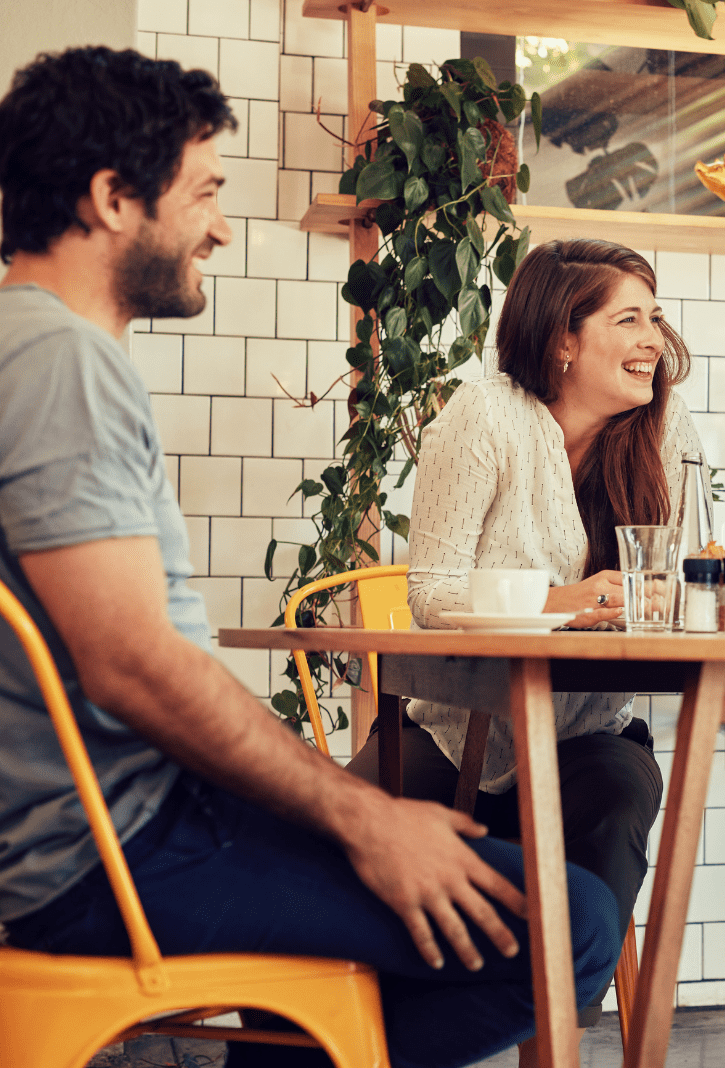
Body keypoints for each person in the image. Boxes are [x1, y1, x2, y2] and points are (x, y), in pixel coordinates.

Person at [0, 48, 619, 1068]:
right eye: (202, 191)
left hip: (106, 828)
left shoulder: (29, 347)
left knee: (456, 897)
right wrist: (365, 819)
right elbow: (133, 662)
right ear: (112, 198)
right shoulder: (62, 362)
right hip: (114, 852)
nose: (220, 226)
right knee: (571, 923)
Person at [348, 236, 705, 1028]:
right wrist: (569, 600)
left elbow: (676, 591)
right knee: (341, 842)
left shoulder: (667, 437)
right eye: (631, 318)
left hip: (584, 736)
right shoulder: (486, 415)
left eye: (657, 317)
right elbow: (432, 594)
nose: (655, 339)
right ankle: (374, 1029)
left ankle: (546, 1016)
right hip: (449, 732)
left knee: (621, 799)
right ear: (563, 339)